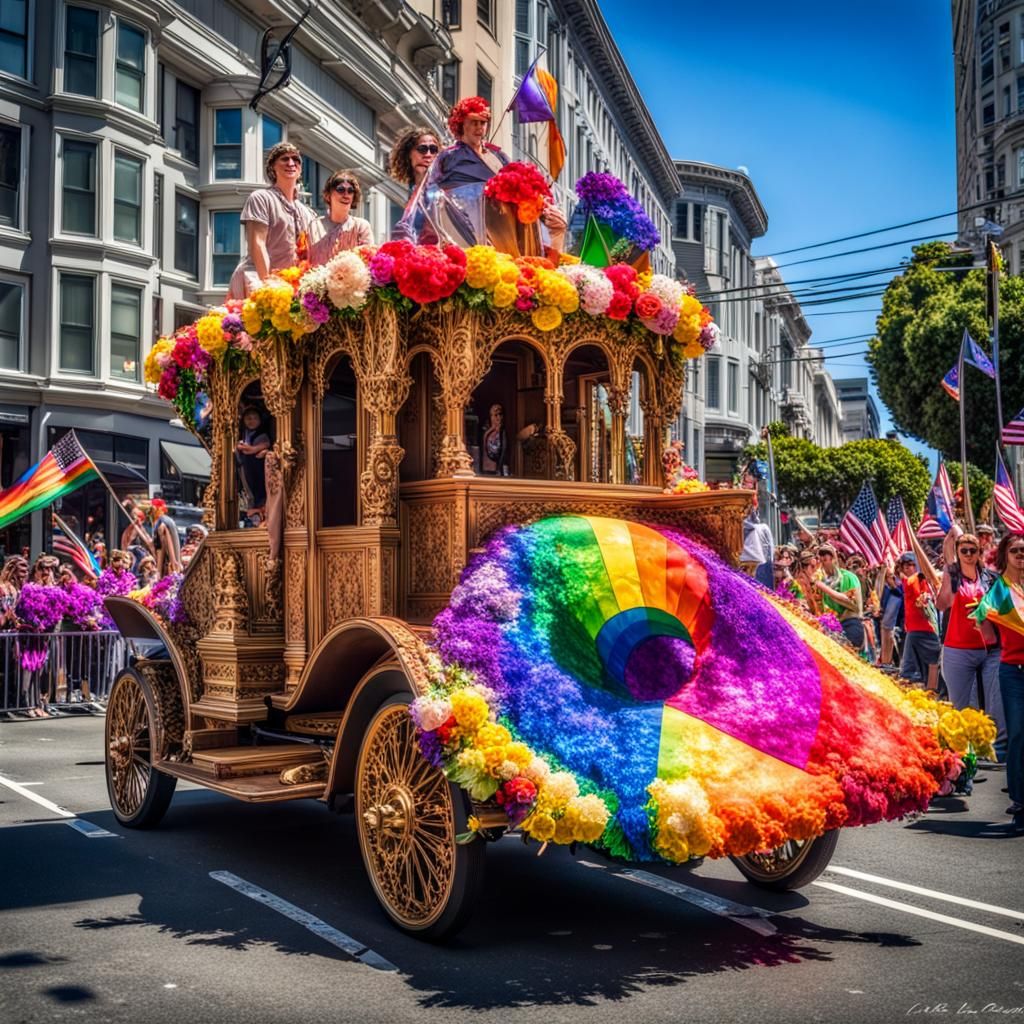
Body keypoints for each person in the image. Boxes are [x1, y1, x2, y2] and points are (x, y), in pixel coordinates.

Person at [420, 96, 567, 250]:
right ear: (461, 124)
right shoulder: (448, 156)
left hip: (501, 226)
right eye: (474, 122)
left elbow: (517, 184)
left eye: (483, 123)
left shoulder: (498, 155)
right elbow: (432, 192)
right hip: (461, 225)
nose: (479, 128)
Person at [936, 531, 1006, 761]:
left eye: (972, 550)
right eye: (963, 550)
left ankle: (996, 750)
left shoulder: (990, 578)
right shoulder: (952, 575)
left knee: (995, 702)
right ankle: (965, 756)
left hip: (990, 649)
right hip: (957, 648)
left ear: (979, 553)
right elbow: (941, 604)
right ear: (957, 552)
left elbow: (1002, 609)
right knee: (963, 705)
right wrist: (947, 578)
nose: (968, 554)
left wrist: (986, 612)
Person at [972, 531, 1024, 827]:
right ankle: (1019, 800)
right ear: (1005, 555)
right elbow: (982, 619)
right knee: (1017, 734)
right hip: (1013, 671)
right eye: (1015, 550)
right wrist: (995, 641)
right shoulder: (1000, 590)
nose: (1021, 555)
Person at [227, 141, 318, 299]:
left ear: (300, 169)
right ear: (272, 167)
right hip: (257, 279)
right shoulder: (261, 198)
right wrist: (267, 285)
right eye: (284, 159)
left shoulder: (308, 213)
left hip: (290, 287)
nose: (291, 163)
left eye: (296, 159)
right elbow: (257, 243)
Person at [308, 170, 374, 266]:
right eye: (340, 190)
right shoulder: (314, 226)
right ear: (328, 195)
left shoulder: (361, 227)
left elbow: (369, 261)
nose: (346, 195)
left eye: (350, 191)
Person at [897, 549, 941, 690]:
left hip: (922, 628)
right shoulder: (917, 579)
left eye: (911, 564)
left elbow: (919, 597)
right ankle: (931, 691)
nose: (908, 568)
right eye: (905, 566)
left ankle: (931, 691)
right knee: (928, 665)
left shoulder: (916, 579)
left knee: (919, 667)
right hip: (917, 628)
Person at [388, 126, 440, 243]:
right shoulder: (413, 190)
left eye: (433, 149)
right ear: (409, 154)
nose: (428, 154)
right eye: (422, 149)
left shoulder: (441, 189)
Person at [815, 544, 864, 649]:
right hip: (833, 628)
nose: (822, 565)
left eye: (825, 560)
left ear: (833, 559)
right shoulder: (823, 580)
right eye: (821, 561)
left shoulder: (848, 577)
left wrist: (824, 588)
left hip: (851, 624)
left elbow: (852, 605)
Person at [236, 406, 271, 522]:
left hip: (258, 472)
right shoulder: (242, 434)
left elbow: (264, 445)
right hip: (245, 471)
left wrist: (252, 449)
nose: (252, 421)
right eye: (249, 418)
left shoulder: (262, 435)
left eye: (255, 418)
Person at [149, 499, 182, 576]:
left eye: (154, 509)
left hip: (166, 558)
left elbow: (164, 539)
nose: (152, 512)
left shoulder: (163, 521)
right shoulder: (158, 522)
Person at [480, 403, 509, 476]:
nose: (499, 418)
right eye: (496, 415)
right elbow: (493, 452)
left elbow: (504, 451)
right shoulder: (488, 433)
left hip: (499, 470)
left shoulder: (502, 432)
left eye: (500, 414)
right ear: (491, 417)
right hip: (489, 470)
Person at [0, 554, 28, 628]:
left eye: (26, 571)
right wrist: (7, 617)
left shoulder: (19, 591)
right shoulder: (3, 589)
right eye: (22, 571)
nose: (26, 574)